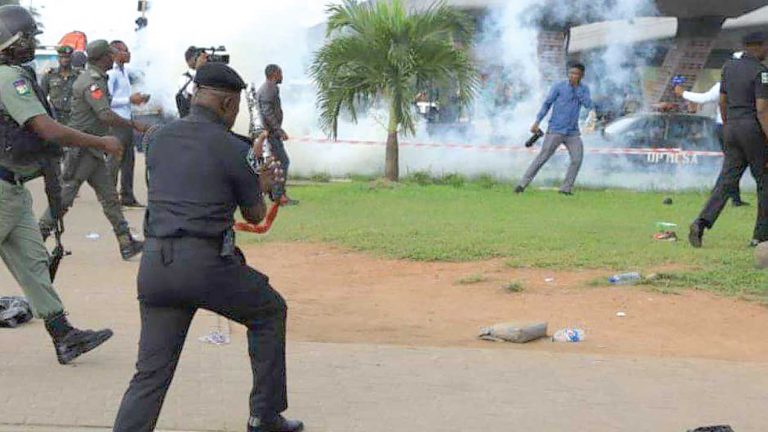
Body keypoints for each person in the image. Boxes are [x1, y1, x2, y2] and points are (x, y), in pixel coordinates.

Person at [113, 62, 303, 432]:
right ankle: (264, 416)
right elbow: (254, 211)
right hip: (206, 265)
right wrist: (259, 180)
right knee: (269, 312)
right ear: (227, 104)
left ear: (196, 95)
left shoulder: (157, 138)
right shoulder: (236, 149)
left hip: (155, 265)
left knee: (150, 373)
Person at [0, 5, 121, 364]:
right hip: (2, 189)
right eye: (29, 38)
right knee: (33, 262)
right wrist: (101, 142)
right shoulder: (9, 77)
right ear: (11, 40)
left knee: (34, 262)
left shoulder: (15, 74)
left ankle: (63, 335)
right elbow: (46, 129)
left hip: (14, 189)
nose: (34, 44)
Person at [38, 40, 147, 260]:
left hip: (92, 149)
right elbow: (105, 115)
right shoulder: (92, 82)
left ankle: (126, 242)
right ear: (101, 58)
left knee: (109, 198)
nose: (113, 57)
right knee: (64, 197)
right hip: (83, 149)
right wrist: (134, 124)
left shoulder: (96, 78)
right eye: (110, 54)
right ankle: (35, 239)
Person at [690, 32, 768, 248]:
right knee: (764, 181)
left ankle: (701, 223)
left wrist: (727, 125)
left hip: (731, 128)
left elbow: (722, 102)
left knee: (726, 180)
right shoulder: (762, 73)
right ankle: (761, 236)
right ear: (760, 46)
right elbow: (762, 110)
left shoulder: (728, 67)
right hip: (752, 129)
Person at [675, 54, 748, 207]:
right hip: (736, 127)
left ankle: (727, 196)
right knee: (734, 163)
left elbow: (703, 98)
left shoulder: (725, 83)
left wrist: (683, 93)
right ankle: (726, 196)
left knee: (733, 163)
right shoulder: (750, 81)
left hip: (727, 127)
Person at [515, 62, 594, 196]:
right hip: (555, 129)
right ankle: (522, 185)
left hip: (573, 132)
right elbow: (547, 104)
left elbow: (588, 104)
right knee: (543, 157)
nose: (573, 76)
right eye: (571, 73)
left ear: (582, 76)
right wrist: (537, 121)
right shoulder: (558, 86)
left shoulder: (584, 89)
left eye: (576, 74)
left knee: (577, 159)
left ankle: (566, 189)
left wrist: (577, 90)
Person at [106, 40, 150, 208]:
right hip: (116, 122)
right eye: (125, 51)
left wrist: (137, 100)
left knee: (128, 161)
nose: (129, 54)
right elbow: (107, 100)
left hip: (126, 121)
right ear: (114, 54)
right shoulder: (112, 74)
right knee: (114, 161)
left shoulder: (124, 72)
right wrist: (129, 99)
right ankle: (109, 197)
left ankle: (127, 196)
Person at [256, 64, 298, 205]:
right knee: (283, 162)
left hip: (269, 133)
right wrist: (279, 130)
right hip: (271, 134)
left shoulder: (267, 87)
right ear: (274, 74)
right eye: (280, 73)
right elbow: (267, 112)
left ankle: (277, 194)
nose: (282, 76)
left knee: (276, 163)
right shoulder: (270, 88)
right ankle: (279, 196)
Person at [39, 45, 79, 126]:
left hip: (74, 117)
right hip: (55, 116)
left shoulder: (79, 76)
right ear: (58, 58)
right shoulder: (49, 76)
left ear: (72, 58)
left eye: (67, 57)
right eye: (62, 57)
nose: (65, 60)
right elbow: (42, 97)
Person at [175, 45, 207, 118]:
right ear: (189, 60)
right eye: (198, 57)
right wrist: (199, 69)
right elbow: (196, 93)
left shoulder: (208, 74)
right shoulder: (184, 78)